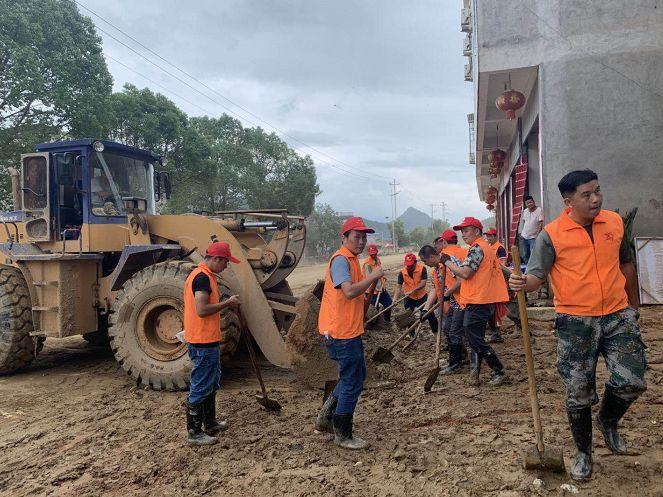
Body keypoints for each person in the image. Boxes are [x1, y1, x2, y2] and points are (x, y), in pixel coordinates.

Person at [509, 169, 647, 481]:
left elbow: (626, 264)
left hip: (617, 314)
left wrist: (634, 307)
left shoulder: (613, 222)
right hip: (575, 321)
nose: (596, 198)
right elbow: (535, 277)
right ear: (568, 201)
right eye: (586, 194)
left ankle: (608, 421)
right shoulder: (552, 235)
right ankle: (584, 452)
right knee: (578, 391)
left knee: (632, 380)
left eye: (598, 190)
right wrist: (521, 282)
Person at [316, 217, 384, 450]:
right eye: (357, 236)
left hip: (349, 329)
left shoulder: (352, 260)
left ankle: (327, 415)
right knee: (353, 381)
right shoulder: (341, 261)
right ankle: (343, 433)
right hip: (341, 332)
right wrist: (372, 277)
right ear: (344, 238)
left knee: (355, 375)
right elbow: (348, 292)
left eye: (364, 237)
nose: (362, 241)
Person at [183, 242, 241, 446]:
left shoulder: (205, 275)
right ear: (216, 259)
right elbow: (201, 309)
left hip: (207, 340)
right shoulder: (201, 278)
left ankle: (210, 422)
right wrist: (227, 303)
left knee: (211, 382)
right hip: (202, 342)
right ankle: (194, 432)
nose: (226, 266)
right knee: (201, 385)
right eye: (225, 262)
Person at [441, 217, 509, 387]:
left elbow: (465, 273)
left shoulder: (477, 249)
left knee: (474, 338)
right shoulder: (483, 247)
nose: (463, 234)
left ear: (477, 231)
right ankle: (475, 373)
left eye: (466, 230)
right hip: (481, 299)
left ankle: (499, 370)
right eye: (462, 231)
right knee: (474, 337)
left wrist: (447, 262)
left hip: (478, 299)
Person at [432, 230, 469, 371]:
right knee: (450, 329)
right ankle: (461, 357)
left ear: (443, 242)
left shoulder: (448, 258)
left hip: (462, 299)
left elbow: (460, 279)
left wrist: (447, 294)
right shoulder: (466, 251)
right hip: (463, 298)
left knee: (456, 332)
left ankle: (456, 363)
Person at [393, 252, 438, 333]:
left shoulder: (422, 269)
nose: (409, 267)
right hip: (409, 298)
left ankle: (436, 331)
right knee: (409, 317)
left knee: (430, 315)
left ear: (415, 262)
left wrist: (413, 291)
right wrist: (395, 298)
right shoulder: (402, 272)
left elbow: (423, 283)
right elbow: (398, 286)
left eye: (411, 265)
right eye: (408, 266)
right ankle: (412, 334)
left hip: (422, 296)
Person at [484, 228, 508, 343]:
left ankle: (525, 330)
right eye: (487, 236)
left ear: (495, 236)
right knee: (491, 310)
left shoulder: (500, 248)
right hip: (491, 282)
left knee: (501, 309)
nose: (488, 238)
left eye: (490, 236)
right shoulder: (488, 247)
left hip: (498, 281)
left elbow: (502, 266)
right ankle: (496, 333)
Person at [362, 244, 393, 321]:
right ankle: (375, 325)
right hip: (371, 292)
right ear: (369, 254)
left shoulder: (378, 260)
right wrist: (377, 288)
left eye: (374, 254)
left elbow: (379, 272)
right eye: (371, 254)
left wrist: (382, 277)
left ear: (377, 252)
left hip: (381, 288)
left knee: (388, 303)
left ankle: (387, 321)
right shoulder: (367, 264)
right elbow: (370, 279)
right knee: (373, 311)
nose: (373, 255)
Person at [520, 195, 544, 264]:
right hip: (524, 236)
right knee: (524, 255)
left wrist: (537, 235)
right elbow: (524, 222)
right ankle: (527, 269)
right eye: (527, 203)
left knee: (533, 255)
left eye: (530, 202)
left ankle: (532, 270)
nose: (529, 204)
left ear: (533, 202)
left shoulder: (539, 210)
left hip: (533, 237)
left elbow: (541, 223)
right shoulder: (525, 211)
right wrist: (522, 233)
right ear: (526, 204)